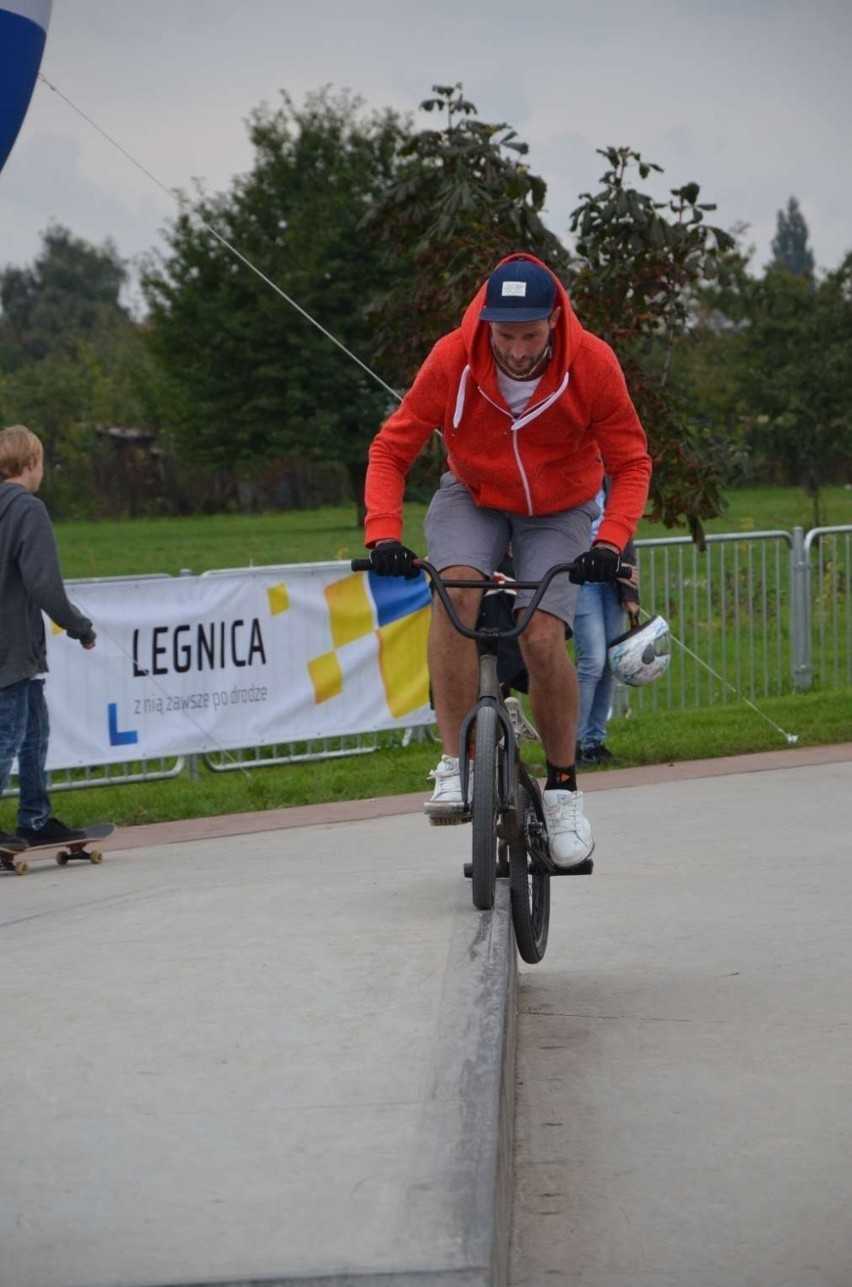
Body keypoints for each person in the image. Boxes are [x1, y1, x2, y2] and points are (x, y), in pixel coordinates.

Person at [362, 254, 651, 868]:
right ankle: (453, 761)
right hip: (474, 494)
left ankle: (565, 790)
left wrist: (609, 542)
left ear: (554, 320)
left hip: (561, 506)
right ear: (487, 324)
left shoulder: (593, 364)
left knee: (544, 636)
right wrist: (383, 533)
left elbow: (631, 463)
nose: (517, 351)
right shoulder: (453, 359)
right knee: (456, 590)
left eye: (530, 336)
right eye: (505, 336)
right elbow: (391, 449)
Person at [0, 425, 97, 851]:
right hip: (11, 647)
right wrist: (80, 627)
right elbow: (45, 585)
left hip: (20, 650)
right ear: (33, 463)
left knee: (35, 728)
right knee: (9, 735)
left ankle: (35, 817)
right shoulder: (27, 508)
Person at [573, 483, 641, 766]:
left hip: (612, 582)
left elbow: (626, 539)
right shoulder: (571, 482)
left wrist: (630, 595)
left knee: (610, 661)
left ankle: (595, 741)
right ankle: (571, 743)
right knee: (592, 661)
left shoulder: (611, 485)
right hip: (580, 581)